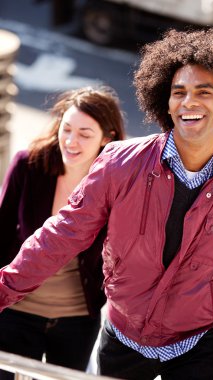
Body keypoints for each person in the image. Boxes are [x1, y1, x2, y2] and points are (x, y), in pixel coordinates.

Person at [0, 28, 213, 380]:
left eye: (203, 92)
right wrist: (2, 289)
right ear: (165, 102)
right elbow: (62, 234)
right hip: (123, 338)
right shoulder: (119, 163)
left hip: (197, 345)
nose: (188, 102)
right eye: (178, 92)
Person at [0, 85, 125, 378]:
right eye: (66, 129)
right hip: (17, 311)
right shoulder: (29, 165)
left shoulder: (117, 183)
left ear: (107, 139)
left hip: (78, 320)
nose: (71, 141)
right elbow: (2, 233)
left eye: (85, 134)